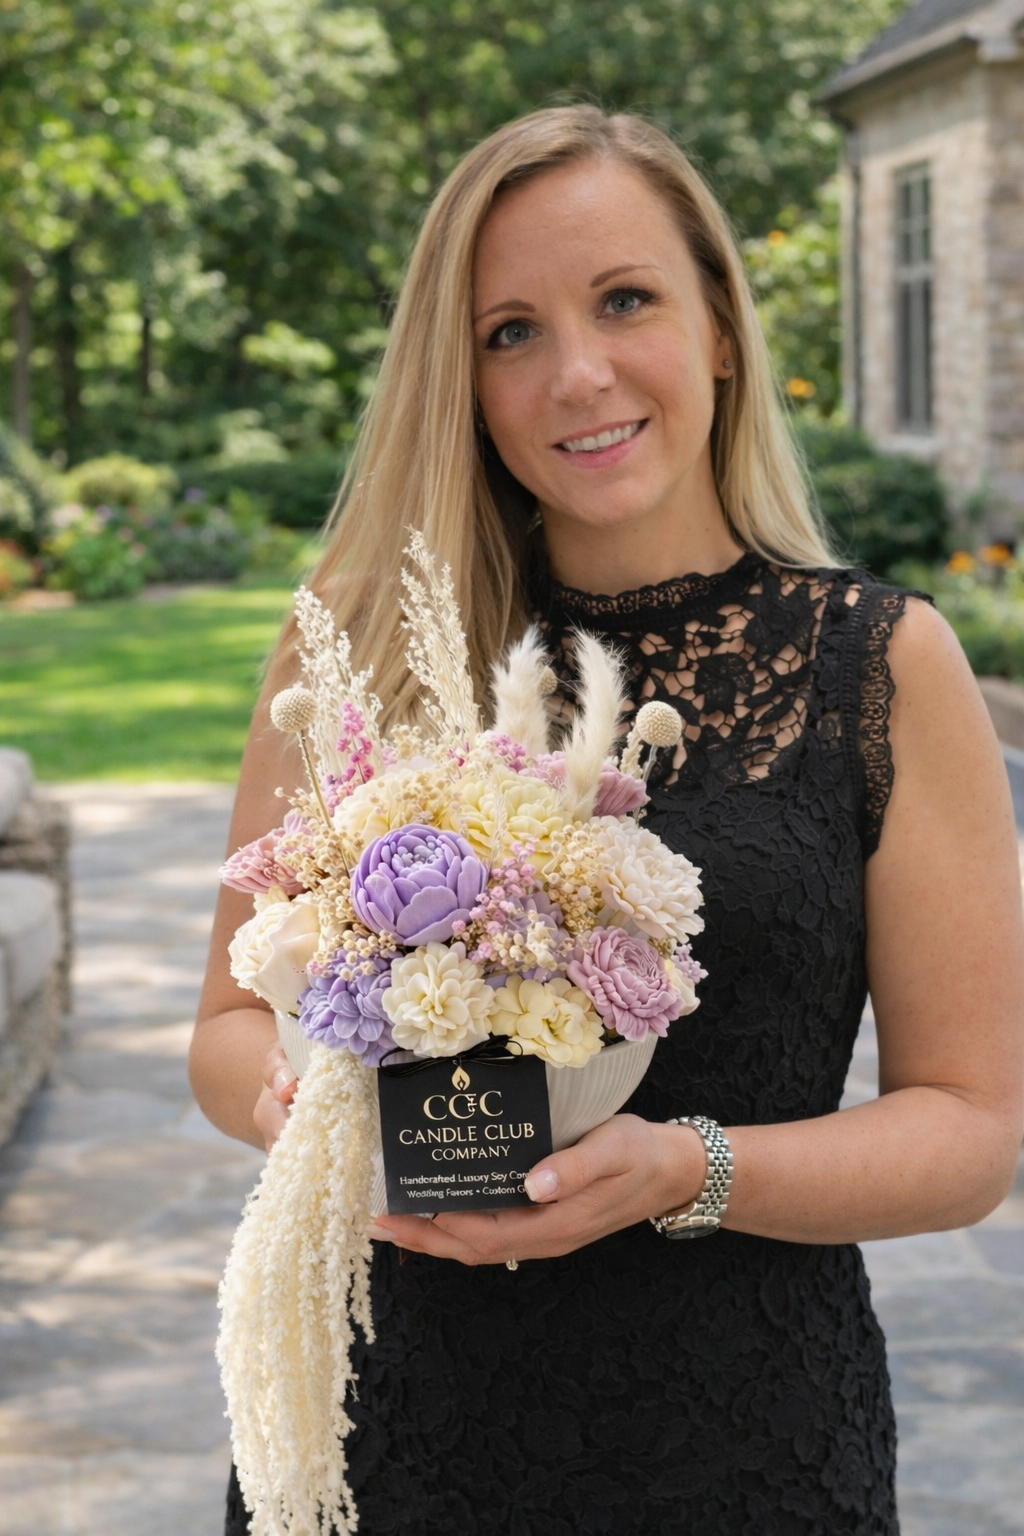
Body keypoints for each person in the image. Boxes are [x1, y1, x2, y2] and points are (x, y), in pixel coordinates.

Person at [191, 106, 1024, 1535]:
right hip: (389, 1437)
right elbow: (223, 1031)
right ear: (458, 376)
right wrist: (304, 1101)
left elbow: (973, 1132)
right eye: (509, 330)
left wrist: (681, 1171)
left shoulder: (879, 666)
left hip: (744, 1450)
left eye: (625, 299)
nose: (577, 373)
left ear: (718, 326)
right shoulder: (357, 646)